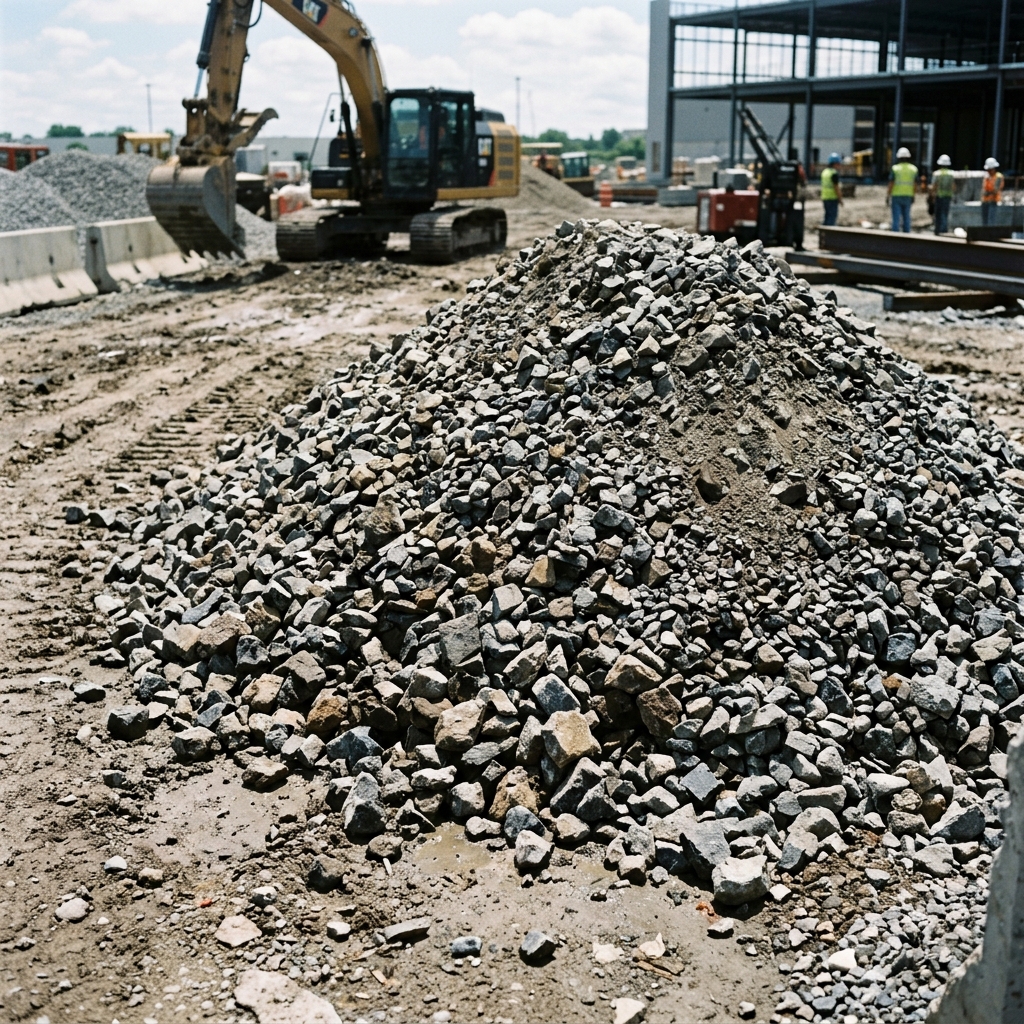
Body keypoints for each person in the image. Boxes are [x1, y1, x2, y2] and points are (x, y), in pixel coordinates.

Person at [888, 146, 918, 233]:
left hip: (896, 195)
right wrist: (913, 195)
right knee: (907, 216)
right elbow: (915, 184)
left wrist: (888, 194)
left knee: (896, 218)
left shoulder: (895, 169)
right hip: (908, 195)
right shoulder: (913, 169)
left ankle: (895, 236)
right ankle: (907, 235)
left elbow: (891, 183)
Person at [931, 154, 954, 234]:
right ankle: (944, 229)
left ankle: (938, 230)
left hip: (939, 196)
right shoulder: (952, 174)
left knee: (938, 214)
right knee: (945, 213)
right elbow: (953, 186)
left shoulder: (937, 174)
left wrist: (932, 196)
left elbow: (934, 186)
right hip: (948, 196)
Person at [820, 152, 843, 226]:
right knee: (831, 218)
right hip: (832, 198)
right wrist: (840, 199)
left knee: (827, 216)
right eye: (838, 164)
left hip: (825, 197)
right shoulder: (834, 173)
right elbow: (836, 187)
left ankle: (824, 234)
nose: (839, 166)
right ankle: (830, 235)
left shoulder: (824, 172)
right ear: (835, 163)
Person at [982, 157, 1004, 226]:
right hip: (985, 201)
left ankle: (990, 235)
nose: (988, 171)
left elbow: (996, 189)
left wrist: (987, 193)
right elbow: (984, 188)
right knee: (984, 220)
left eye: (989, 169)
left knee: (991, 220)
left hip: (993, 200)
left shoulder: (998, 176)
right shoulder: (986, 176)